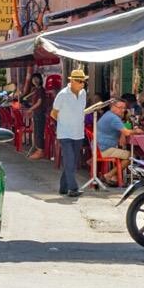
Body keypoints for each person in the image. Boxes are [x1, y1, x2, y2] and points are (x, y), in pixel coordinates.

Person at [50, 69, 89, 197]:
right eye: (79, 81)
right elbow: (53, 113)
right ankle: (73, 188)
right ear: (71, 81)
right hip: (65, 133)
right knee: (70, 160)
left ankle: (63, 187)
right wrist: (63, 123)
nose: (81, 84)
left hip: (78, 132)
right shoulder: (62, 95)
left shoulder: (83, 93)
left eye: (83, 81)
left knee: (71, 161)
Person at [94, 98, 133, 185]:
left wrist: (122, 134)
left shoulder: (108, 114)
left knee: (123, 153)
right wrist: (137, 131)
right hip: (105, 149)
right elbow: (126, 132)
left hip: (98, 147)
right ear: (112, 106)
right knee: (131, 156)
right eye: (120, 107)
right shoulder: (114, 118)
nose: (122, 110)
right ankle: (108, 175)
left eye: (124, 108)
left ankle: (114, 177)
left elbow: (122, 129)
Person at [20, 73, 47, 160]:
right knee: (36, 132)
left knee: (39, 132)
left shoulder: (41, 90)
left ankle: (40, 151)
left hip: (40, 113)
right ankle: (38, 149)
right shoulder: (35, 90)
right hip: (36, 113)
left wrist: (30, 109)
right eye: (33, 79)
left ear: (40, 79)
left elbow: (39, 103)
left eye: (37, 78)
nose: (35, 80)